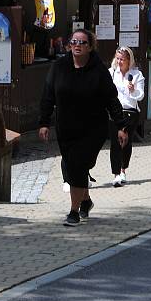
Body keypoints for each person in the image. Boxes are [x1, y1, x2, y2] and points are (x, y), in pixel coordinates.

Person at [39, 29, 127, 226]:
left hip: (92, 129)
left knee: (78, 166)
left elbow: (111, 99)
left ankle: (73, 212)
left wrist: (121, 125)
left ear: (90, 46)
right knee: (72, 167)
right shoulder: (59, 67)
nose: (77, 45)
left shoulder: (99, 70)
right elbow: (48, 95)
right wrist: (44, 122)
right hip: (66, 128)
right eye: (73, 42)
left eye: (82, 42)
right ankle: (85, 200)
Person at [108, 46, 145, 187]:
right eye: (117, 58)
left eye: (122, 59)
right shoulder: (111, 73)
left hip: (130, 112)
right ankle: (116, 174)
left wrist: (133, 90)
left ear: (129, 60)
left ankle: (123, 170)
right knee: (115, 142)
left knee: (126, 142)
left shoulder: (137, 75)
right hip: (115, 112)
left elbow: (140, 96)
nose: (119, 61)